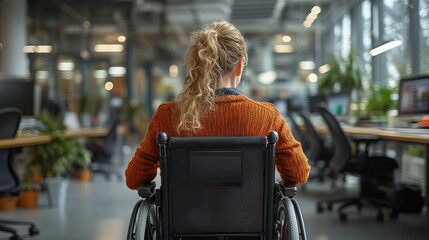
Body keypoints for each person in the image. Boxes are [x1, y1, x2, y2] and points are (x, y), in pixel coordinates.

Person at [125, 20, 310, 189]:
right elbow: (298, 173)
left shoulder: (168, 116)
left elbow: (134, 177)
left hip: (184, 224)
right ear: (239, 66)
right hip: (250, 222)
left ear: (196, 66)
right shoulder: (267, 116)